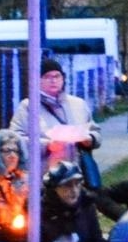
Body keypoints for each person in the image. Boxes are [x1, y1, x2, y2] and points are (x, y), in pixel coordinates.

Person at [11, 56, 102, 185]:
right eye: (47, 77)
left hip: (77, 172)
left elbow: (95, 131)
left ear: (63, 78)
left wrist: (90, 139)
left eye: (57, 76)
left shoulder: (78, 104)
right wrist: (47, 145)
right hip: (45, 174)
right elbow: (15, 140)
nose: (53, 81)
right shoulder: (28, 107)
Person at [40, 161, 108, 242]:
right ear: (54, 189)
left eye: (77, 184)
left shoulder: (86, 206)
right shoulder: (41, 213)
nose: (74, 191)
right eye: (67, 185)